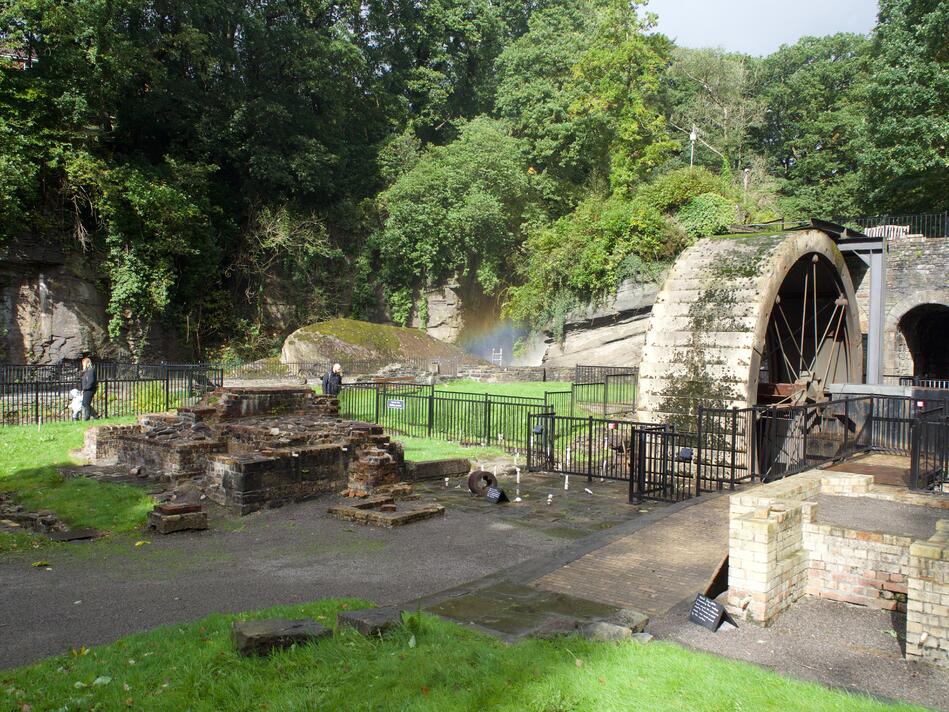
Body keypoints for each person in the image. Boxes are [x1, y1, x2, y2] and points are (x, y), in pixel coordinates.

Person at [79, 356, 99, 420]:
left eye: (84, 364)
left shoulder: (91, 371)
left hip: (89, 390)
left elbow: (91, 381)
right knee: (84, 403)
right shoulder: (87, 371)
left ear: (88, 363)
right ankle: (95, 415)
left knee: (86, 403)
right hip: (86, 390)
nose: (83, 366)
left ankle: (87, 418)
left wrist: (85, 388)